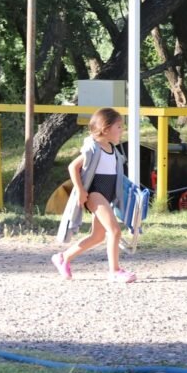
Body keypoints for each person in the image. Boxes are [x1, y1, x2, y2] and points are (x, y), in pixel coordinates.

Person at [52, 107, 137, 283]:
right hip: (95, 193)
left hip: (106, 195)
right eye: (119, 127)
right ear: (105, 129)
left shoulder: (112, 149)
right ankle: (114, 271)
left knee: (98, 236)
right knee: (114, 230)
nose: (122, 130)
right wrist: (81, 191)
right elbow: (72, 167)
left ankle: (63, 258)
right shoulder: (93, 149)